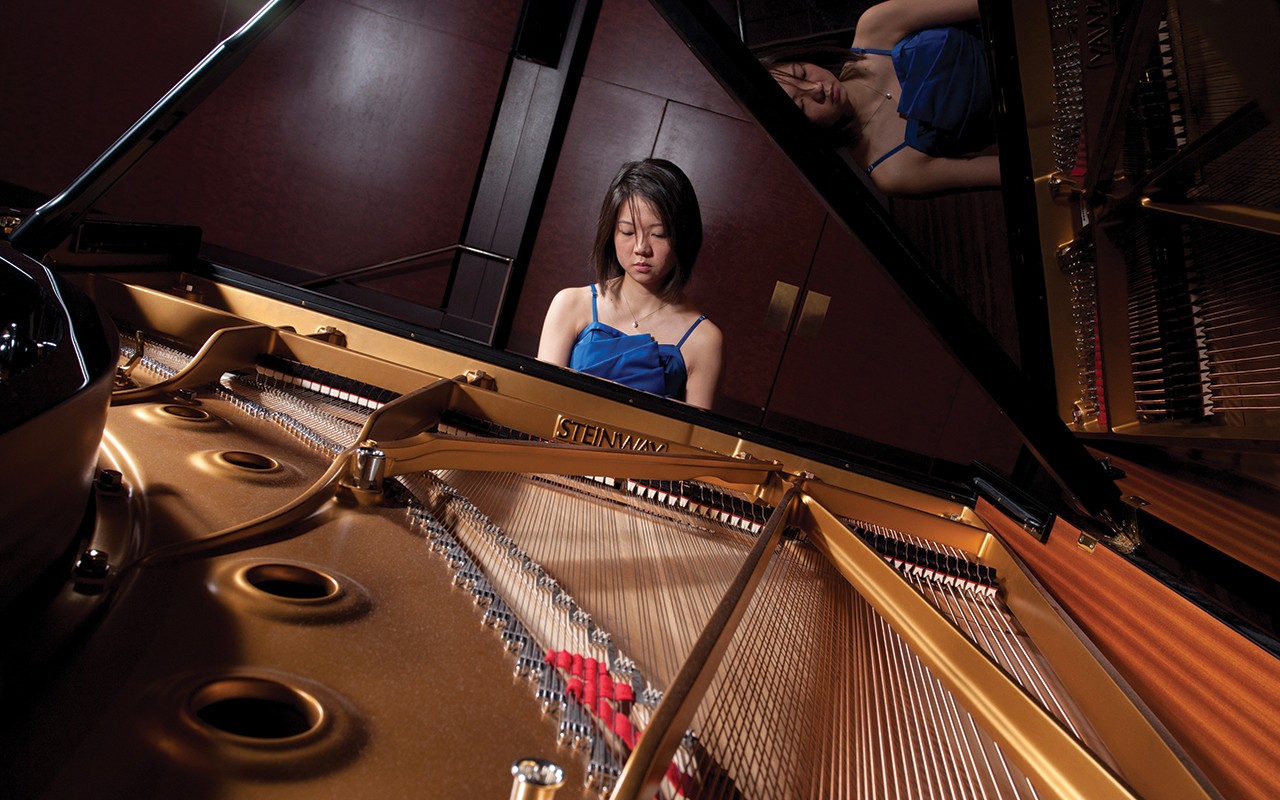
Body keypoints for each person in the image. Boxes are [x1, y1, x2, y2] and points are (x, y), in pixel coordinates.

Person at [761, 0, 999, 196]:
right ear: (806, 134)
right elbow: (1008, 170)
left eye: (801, 73)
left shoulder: (876, 25)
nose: (816, 88)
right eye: (802, 105)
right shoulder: (891, 171)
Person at [538, 159, 723, 410]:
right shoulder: (570, 304)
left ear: (683, 236)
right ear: (610, 233)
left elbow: (692, 443)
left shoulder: (704, 339)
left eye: (658, 234)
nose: (641, 248)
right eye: (627, 232)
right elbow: (538, 405)